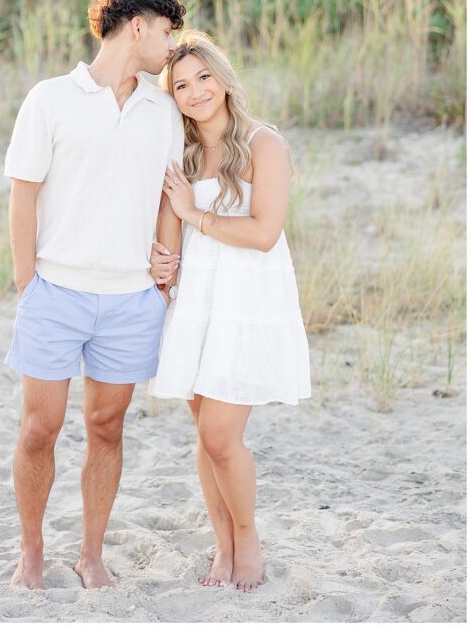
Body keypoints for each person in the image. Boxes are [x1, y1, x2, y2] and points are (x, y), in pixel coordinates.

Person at [2, 0, 186, 590]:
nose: (171, 45)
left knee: (107, 427)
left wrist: (164, 266)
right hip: (56, 292)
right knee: (39, 429)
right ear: (139, 25)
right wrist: (28, 284)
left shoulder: (164, 109)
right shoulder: (51, 99)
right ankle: (31, 551)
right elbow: (23, 194)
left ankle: (90, 552)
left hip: (132, 297)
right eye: (167, 31)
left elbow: (169, 193)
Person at [148, 29, 311, 592]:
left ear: (222, 77)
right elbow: (167, 227)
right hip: (196, 301)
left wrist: (194, 217)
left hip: (247, 301)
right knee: (205, 434)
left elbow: (266, 232)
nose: (195, 93)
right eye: (182, 85)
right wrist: (161, 263)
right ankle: (223, 546)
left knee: (220, 434)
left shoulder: (264, 144)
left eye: (203, 78)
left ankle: (249, 538)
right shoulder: (183, 153)